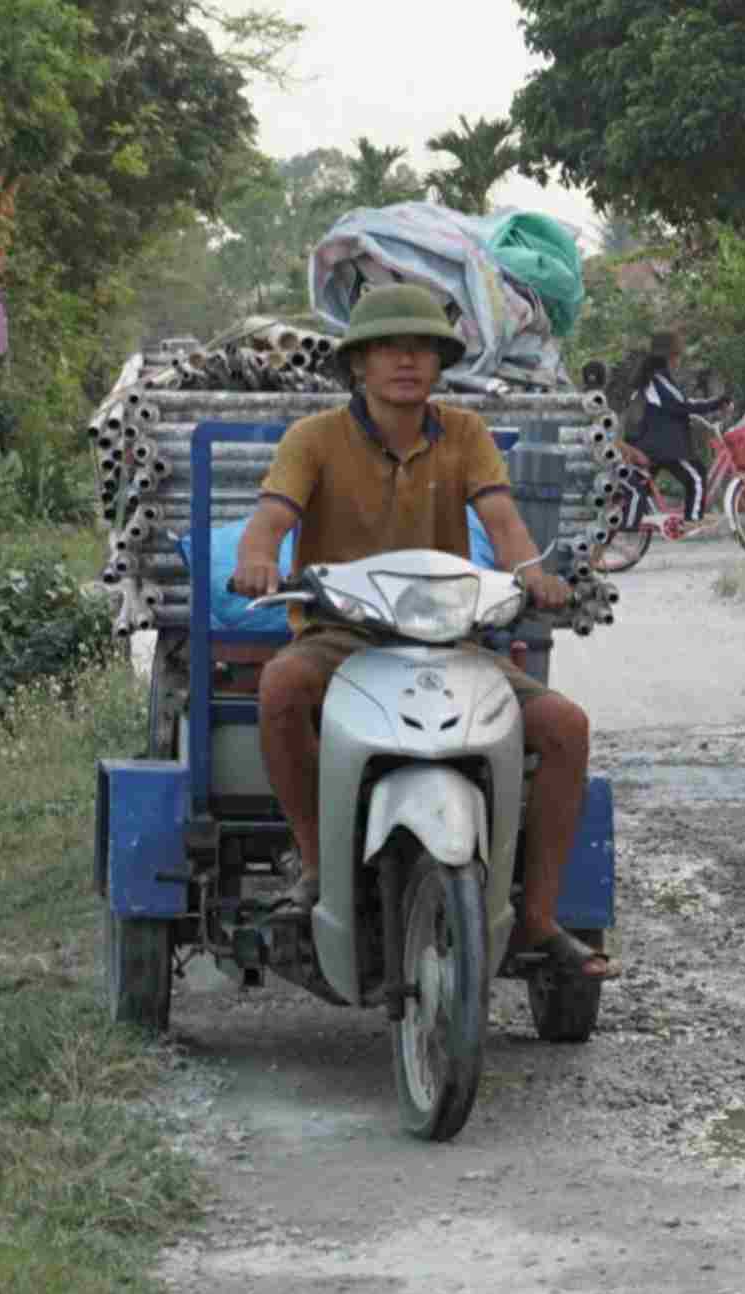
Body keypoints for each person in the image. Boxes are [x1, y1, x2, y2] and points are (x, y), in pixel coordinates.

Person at [229, 283, 615, 983]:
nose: (406, 361)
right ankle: (316, 863)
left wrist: (531, 573)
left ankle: (535, 920)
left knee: (565, 726)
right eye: (387, 349)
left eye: (422, 349)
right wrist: (257, 557)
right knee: (281, 685)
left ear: (441, 364)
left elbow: (502, 522)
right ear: (358, 366)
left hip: (447, 640)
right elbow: (271, 517)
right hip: (341, 636)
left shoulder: (465, 433)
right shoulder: (312, 439)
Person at [627, 331, 728, 531]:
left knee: (638, 487)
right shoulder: (658, 378)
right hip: (663, 446)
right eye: (677, 355)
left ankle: (626, 523)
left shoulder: (648, 378)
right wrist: (718, 403)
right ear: (668, 356)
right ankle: (692, 519)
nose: (678, 360)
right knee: (697, 475)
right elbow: (682, 404)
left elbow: (671, 407)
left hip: (647, 443)